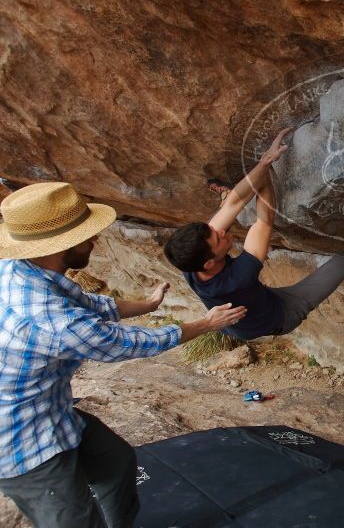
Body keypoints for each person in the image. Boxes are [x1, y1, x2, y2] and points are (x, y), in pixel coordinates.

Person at [0, 182, 247, 528]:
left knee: (115, 463)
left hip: (50, 408)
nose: (96, 240)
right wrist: (205, 324)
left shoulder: (23, 269)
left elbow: (89, 304)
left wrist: (148, 304)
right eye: (88, 235)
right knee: (72, 519)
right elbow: (126, 344)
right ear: (63, 245)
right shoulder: (51, 319)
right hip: (20, 440)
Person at [164, 128, 344, 341]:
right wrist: (266, 171)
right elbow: (265, 218)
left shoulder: (188, 260)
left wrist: (264, 161)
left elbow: (235, 203)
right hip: (281, 315)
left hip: (249, 309)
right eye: (218, 239)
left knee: (225, 210)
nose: (222, 232)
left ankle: (223, 198)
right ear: (209, 263)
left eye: (215, 231)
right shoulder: (238, 279)